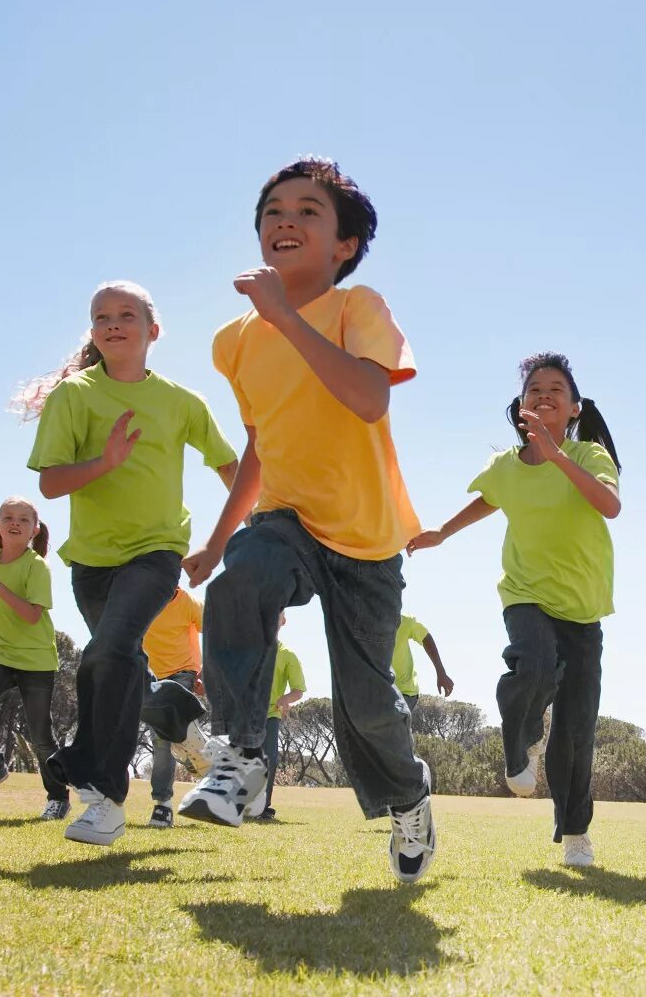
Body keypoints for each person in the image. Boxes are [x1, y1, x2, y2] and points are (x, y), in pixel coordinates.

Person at [180, 158, 437, 882]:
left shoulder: (360, 308)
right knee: (242, 579)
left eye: (308, 211)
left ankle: (409, 795)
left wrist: (286, 319)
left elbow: (368, 398)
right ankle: (242, 758)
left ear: (344, 246)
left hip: (365, 537)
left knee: (366, 704)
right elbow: (260, 445)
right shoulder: (233, 342)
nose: (285, 220)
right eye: (273, 210)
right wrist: (218, 540)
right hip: (286, 516)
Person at [22, 281, 239, 845]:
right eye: (101, 317)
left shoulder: (182, 402)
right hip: (92, 562)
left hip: (157, 551)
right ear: (92, 331)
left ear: (152, 330)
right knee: (120, 669)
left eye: (126, 315)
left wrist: (225, 539)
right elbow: (50, 483)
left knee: (109, 651)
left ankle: (102, 796)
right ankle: (183, 723)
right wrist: (105, 460)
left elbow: (229, 467)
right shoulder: (75, 396)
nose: (113, 324)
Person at [410, 352, 621, 868]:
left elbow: (609, 505)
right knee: (533, 661)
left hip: (583, 608)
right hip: (525, 593)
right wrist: (442, 532)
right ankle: (519, 740)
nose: (543, 394)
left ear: (574, 409)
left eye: (556, 389)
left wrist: (557, 456)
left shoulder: (591, 455)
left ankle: (574, 833)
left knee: (575, 731)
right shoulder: (505, 466)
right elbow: (489, 499)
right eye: (534, 389)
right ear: (520, 405)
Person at [0, 498, 70, 820]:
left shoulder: (37, 566)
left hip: (36, 659)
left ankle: (58, 798)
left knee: (40, 736)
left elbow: (31, 616)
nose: (15, 522)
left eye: (24, 519)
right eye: (8, 517)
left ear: (34, 530)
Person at [143, 587, 205, 828]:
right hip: (150, 676)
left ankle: (162, 806)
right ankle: (194, 758)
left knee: (162, 739)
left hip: (182, 672)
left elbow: (216, 629)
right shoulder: (140, 598)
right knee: (166, 740)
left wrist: (207, 671)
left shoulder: (188, 602)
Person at [259, 615, 308, 821]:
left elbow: (298, 690)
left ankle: (262, 807)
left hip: (270, 715)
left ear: (283, 622)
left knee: (269, 759)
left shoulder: (288, 655)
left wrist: (285, 699)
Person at [391, 614, 454, 720]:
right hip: (375, 689)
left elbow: (426, 637)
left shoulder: (404, 621)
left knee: (390, 724)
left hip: (404, 692)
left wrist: (441, 673)